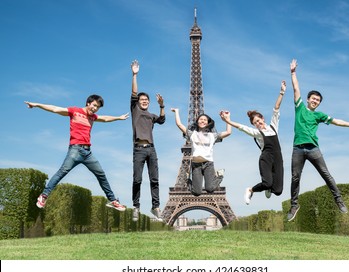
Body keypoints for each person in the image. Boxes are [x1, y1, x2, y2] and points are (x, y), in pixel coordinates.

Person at [287, 59, 349, 221]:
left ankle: (339, 200)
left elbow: (336, 121)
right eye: (313, 99)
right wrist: (293, 73)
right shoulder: (300, 107)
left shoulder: (319, 115)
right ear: (308, 99)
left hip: (313, 148)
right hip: (298, 149)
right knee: (295, 177)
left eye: (318, 100)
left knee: (326, 174)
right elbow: (296, 89)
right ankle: (294, 205)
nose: (315, 101)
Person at [25, 95, 128, 211]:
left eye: (98, 107)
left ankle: (113, 200)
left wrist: (119, 118)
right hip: (75, 150)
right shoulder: (75, 111)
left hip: (88, 153)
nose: (95, 109)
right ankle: (44, 195)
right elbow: (55, 109)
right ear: (88, 103)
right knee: (62, 172)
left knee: (101, 174)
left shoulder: (93, 117)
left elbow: (104, 118)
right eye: (94, 105)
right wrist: (37, 105)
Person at [220, 81, 286, 205]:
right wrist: (228, 121)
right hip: (266, 159)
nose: (258, 123)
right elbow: (242, 127)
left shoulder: (273, 127)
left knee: (278, 191)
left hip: (278, 159)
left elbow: (276, 108)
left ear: (263, 119)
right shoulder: (256, 133)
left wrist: (282, 92)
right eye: (255, 123)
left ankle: (269, 189)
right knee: (267, 182)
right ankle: (250, 190)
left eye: (258, 120)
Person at [130, 60, 165, 222]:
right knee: (137, 179)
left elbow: (162, 120)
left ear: (149, 102)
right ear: (138, 102)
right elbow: (134, 93)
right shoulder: (135, 110)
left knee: (155, 179)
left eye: (146, 100)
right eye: (142, 99)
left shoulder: (151, 115)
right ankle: (136, 206)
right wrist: (135, 75)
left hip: (151, 149)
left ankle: (155, 206)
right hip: (139, 148)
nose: (144, 101)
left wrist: (162, 106)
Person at [171, 108, 231, 196]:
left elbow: (228, 132)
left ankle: (219, 175)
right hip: (196, 165)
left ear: (208, 122)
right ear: (197, 121)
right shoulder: (192, 134)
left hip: (208, 164)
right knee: (197, 192)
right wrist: (176, 112)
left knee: (210, 189)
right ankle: (187, 179)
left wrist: (227, 119)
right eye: (201, 119)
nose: (203, 121)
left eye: (205, 120)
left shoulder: (212, 136)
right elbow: (179, 125)